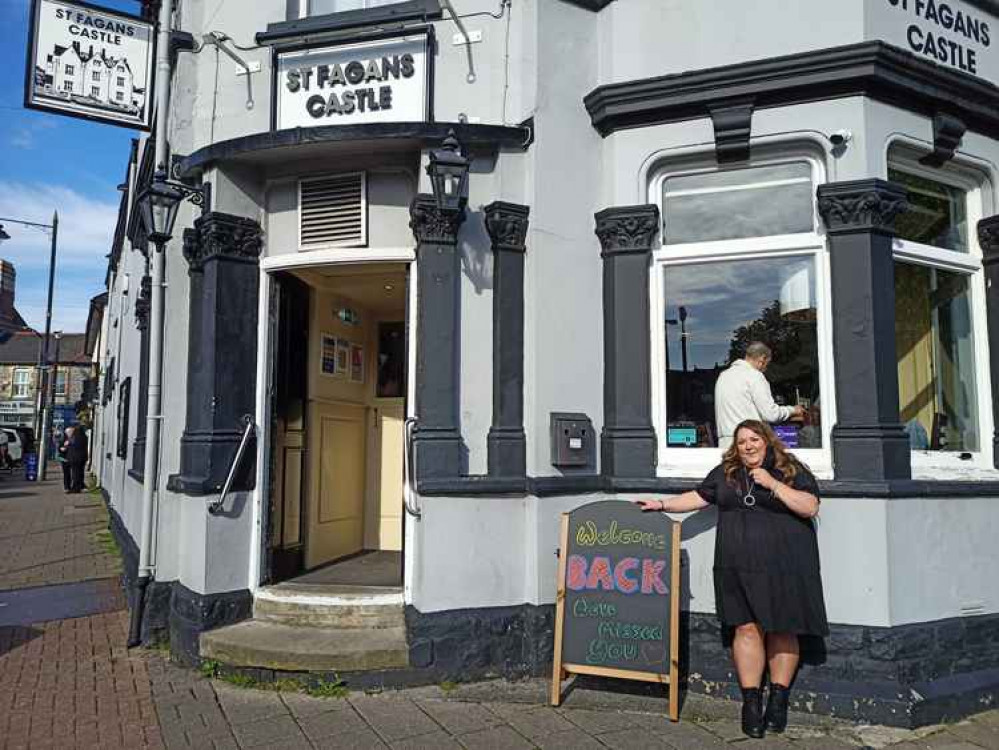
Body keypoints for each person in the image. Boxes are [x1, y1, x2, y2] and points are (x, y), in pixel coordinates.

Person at [636, 420, 828, 739]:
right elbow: (698, 496)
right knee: (745, 627)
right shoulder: (726, 472)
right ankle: (751, 702)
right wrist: (661, 505)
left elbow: (809, 507)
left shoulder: (791, 469)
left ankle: (778, 700)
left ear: (767, 441)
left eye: (754, 439)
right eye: (742, 442)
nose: (748, 446)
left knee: (783, 626)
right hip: (736, 565)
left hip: (786, 566)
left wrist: (772, 484)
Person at [714, 342, 804, 450]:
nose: (766, 369)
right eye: (767, 364)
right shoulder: (754, 376)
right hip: (749, 442)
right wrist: (793, 410)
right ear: (762, 359)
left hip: (725, 443)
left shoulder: (723, 376)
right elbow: (771, 414)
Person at [66, 424, 88, 493]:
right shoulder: (84, 437)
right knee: (80, 473)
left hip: (75, 458)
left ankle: (75, 488)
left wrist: (68, 443)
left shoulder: (74, 437)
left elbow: (71, 445)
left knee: (75, 473)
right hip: (82, 458)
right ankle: (80, 485)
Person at [58, 427, 73, 492]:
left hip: (71, 458)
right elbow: (59, 448)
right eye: (69, 432)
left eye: (70, 432)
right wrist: (61, 449)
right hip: (64, 458)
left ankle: (70, 486)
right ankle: (66, 487)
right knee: (66, 473)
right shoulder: (64, 439)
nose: (70, 433)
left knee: (72, 473)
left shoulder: (73, 439)